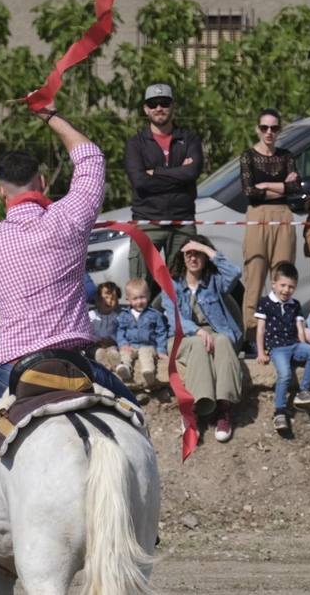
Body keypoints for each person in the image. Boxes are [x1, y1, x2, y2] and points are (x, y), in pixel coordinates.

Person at [0, 104, 137, 564]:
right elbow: (91, 158)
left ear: (1, 192)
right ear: (42, 184)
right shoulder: (70, 217)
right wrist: (52, 115)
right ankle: (140, 520)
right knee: (136, 419)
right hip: (80, 363)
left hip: (14, 371)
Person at [124, 83, 205, 294]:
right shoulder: (136, 144)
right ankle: (141, 327)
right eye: (153, 104)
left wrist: (156, 172)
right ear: (146, 109)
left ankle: (178, 327)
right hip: (147, 220)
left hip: (182, 221)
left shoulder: (189, 139)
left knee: (182, 287)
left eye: (164, 103)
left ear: (173, 106)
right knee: (140, 287)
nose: (159, 108)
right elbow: (140, 182)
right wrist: (179, 174)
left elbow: (192, 172)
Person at [169, 237, 246, 442]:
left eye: (198, 254)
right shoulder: (173, 285)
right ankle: (191, 410)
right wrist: (197, 331)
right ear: (182, 258)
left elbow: (235, 272)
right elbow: (173, 318)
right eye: (189, 254)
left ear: (205, 257)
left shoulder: (214, 282)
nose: (193, 257)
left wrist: (204, 247)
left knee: (223, 340)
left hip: (216, 333)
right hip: (183, 337)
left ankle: (224, 409)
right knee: (198, 343)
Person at [240, 108, 301, 349]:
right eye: (264, 127)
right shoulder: (248, 156)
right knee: (255, 275)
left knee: (283, 275)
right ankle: (251, 333)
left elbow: (297, 188)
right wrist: (280, 185)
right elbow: (249, 190)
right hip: (258, 213)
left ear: (280, 130)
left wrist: (265, 183)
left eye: (274, 128)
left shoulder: (286, 156)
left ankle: (280, 331)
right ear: (257, 128)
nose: (269, 132)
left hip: (283, 214)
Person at [255, 262, 310, 432]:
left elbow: (300, 329)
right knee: (285, 373)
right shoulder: (265, 303)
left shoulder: (295, 304)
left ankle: (304, 391)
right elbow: (261, 329)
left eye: (291, 287)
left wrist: (304, 347)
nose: (286, 290)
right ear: (274, 283)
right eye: (283, 285)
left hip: (294, 344)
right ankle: (280, 412)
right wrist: (261, 352)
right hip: (277, 348)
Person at [116, 279, 169, 390]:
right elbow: (120, 331)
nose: (139, 301)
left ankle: (148, 371)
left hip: (148, 345)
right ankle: (126, 367)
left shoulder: (155, 315)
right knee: (126, 353)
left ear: (149, 296)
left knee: (146, 354)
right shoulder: (123, 315)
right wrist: (123, 344)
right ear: (128, 300)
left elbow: (161, 332)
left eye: (142, 297)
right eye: (135, 298)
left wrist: (161, 351)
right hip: (130, 345)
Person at [88, 282, 124, 372]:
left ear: (117, 302)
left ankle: (118, 368)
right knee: (99, 353)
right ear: (98, 299)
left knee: (113, 352)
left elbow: (119, 331)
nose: (109, 301)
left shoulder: (117, 317)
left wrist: (112, 340)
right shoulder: (91, 315)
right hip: (95, 344)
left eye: (113, 298)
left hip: (110, 344)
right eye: (106, 297)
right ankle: (105, 367)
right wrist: (96, 341)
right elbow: (88, 331)